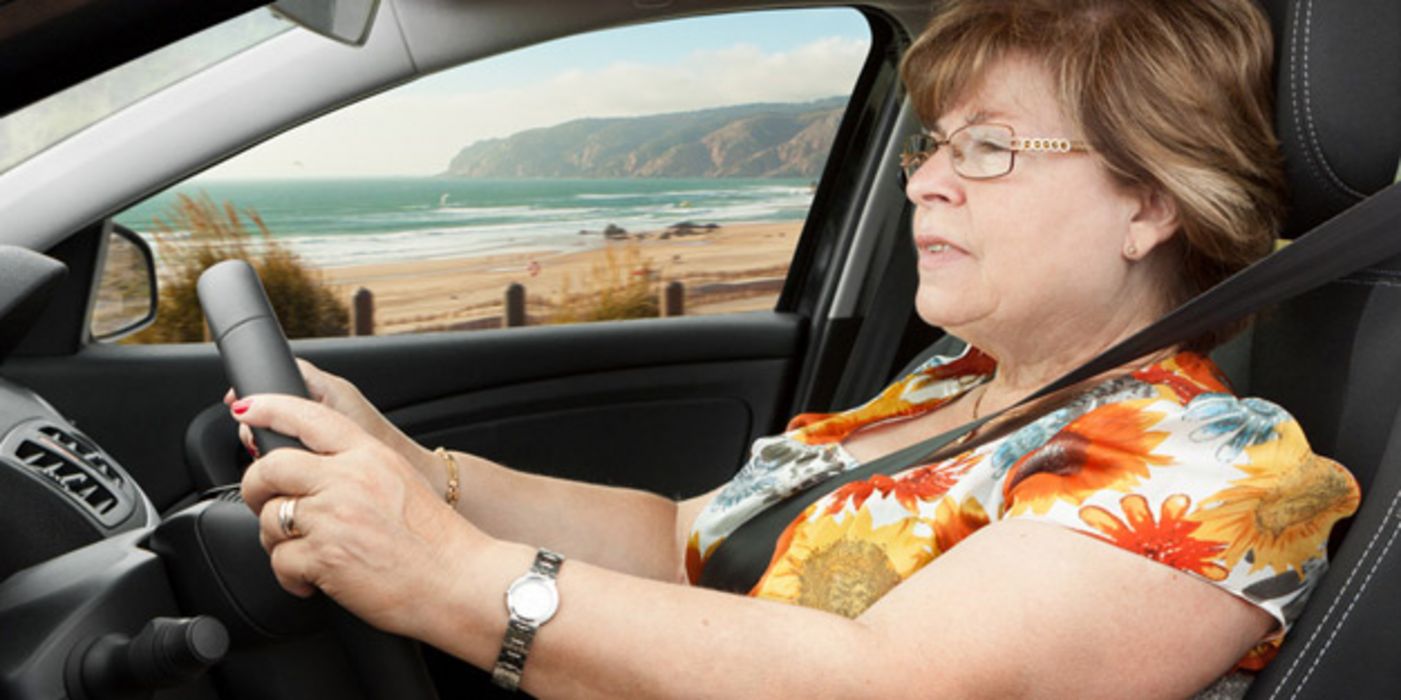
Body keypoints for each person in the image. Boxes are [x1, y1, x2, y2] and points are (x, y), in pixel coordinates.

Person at [229, 0, 1361, 696]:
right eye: (932, 145)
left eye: (992, 147)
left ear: (1150, 202)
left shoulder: (1213, 461)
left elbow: (886, 688)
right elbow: (682, 537)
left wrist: (449, 578)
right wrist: (427, 477)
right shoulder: (959, 381)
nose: (924, 178)